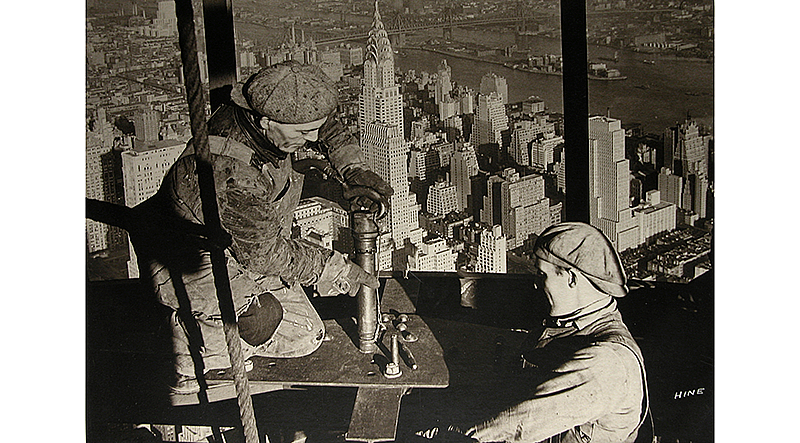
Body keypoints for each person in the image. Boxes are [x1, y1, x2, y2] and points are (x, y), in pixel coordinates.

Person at [132, 61, 393, 394]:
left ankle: (231, 321)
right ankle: (190, 340)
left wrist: (352, 171)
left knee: (306, 335)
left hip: (236, 244)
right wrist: (334, 267)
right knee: (260, 321)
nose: (311, 139)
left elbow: (325, 129)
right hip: (186, 261)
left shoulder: (267, 115)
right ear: (267, 122)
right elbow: (266, 253)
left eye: (312, 130)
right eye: (301, 133)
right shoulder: (230, 170)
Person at [419, 222, 647, 443]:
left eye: (542, 275)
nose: (537, 284)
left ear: (571, 278)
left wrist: (450, 433)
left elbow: (517, 426)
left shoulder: (608, 363)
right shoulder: (568, 326)